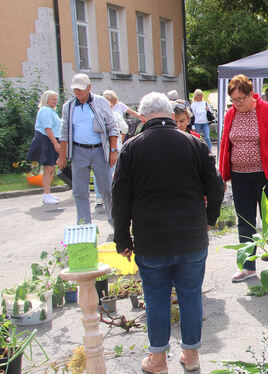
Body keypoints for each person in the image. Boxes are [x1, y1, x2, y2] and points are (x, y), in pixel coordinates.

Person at [112, 92, 224, 374]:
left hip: (152, 240)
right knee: (190, 295)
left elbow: (120, 198)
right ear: (169, 114)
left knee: (156, 298)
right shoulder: (194, 144)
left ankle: (158, 360)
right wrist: (210, 218)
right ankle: (191, 355)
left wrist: (122, 239)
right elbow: (216, 185)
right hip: (191, 236)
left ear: (143, 116)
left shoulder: (131, 148)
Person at [218, 74, 268, 282]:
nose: (236, 104)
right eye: (233, 100)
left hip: (266, 175)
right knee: (245, 221)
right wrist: (223, 174)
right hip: (239, 176)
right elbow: (226, 144)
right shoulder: (230, 115)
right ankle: (247, 266)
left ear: (251, 94)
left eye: (240, 99)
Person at [57, 73, 118, 225]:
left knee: (107, 189)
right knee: (79, 191)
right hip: (78, 151)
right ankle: (84, 225)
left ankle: (115, 223)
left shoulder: (101, 102)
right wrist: (62, 156)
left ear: (89, 87)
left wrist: (113, 152)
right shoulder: (68, 106)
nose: (78, 93)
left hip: (99, 150)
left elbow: (112, 127)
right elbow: (64, 132)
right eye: (76, 90)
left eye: (81, 89)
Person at [26, 90, 61, 204]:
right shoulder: (45, 110)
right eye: (53, 99)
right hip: (46, 140)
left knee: (51, 168)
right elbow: (47, 128)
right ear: (47, 100)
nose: (55, 101)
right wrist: (55, 143)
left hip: (50, 139)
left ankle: (48, 193)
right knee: (48, 168)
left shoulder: (51, 111)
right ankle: (46, 194)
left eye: (56, 99)